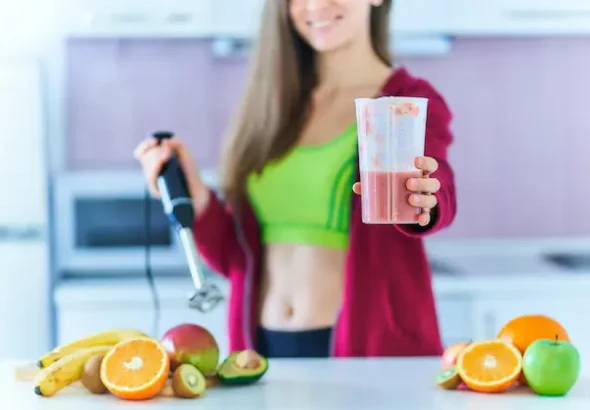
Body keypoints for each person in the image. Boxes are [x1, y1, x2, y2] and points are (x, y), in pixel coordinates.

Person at [134, 0, 457, 358]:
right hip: (263, 352)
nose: (316, 5)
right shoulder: (271, 107)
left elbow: (436, 181)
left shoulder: (406, 102)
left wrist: (425, 199)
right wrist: (199, 200)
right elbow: (235, 258)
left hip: (368, 352)